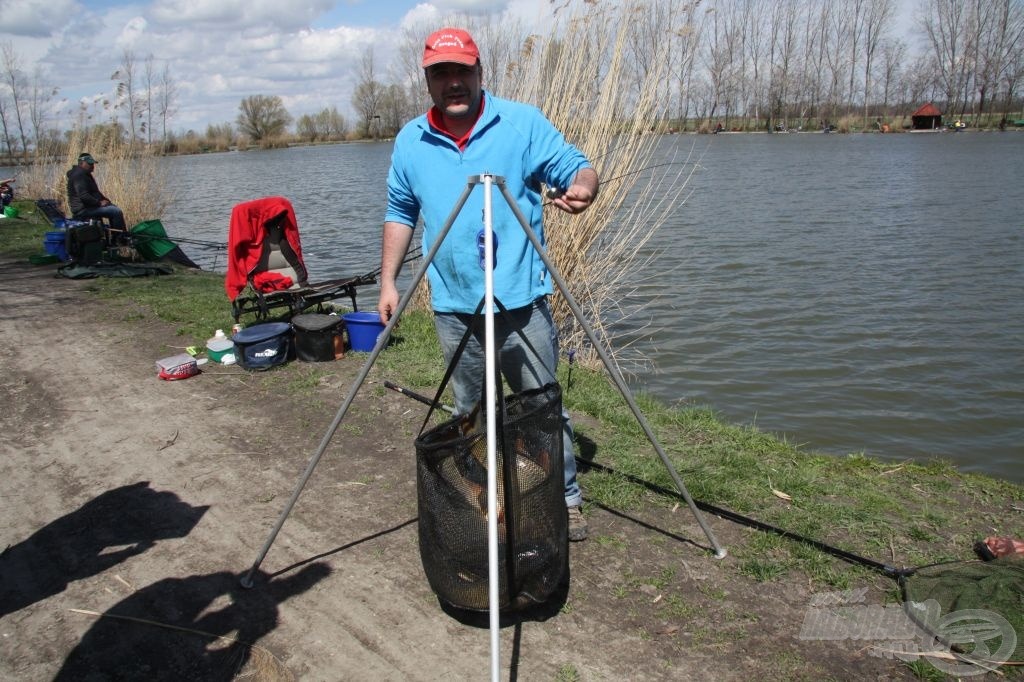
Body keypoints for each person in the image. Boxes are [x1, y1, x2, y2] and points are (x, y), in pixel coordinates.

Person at [377, 27, 599, 541]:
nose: (453, 82)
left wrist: (582, 187)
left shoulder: (520, 123)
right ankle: (486, 493)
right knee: (469, 410)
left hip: (522, 304)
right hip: (454, 307)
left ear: (479, 71)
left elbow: (574, 165)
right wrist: (389, 280)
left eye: (462, 71)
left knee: (542, 407)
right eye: (441, 74)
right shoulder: (410, 139)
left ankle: (563, 497)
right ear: (428, 79)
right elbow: (399, 210)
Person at [66, 153, 127, 237]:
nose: (92, 166)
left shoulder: (86, 174)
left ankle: (119, 236)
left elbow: (96, 192)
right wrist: (99, 203)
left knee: (113, 208)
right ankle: (120, 239)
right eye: (89, 164)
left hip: (90, 207)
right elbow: (84, 196)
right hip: (82, 210)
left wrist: (107, 201)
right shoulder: (79, 175)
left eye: (92, 163)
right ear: (81, 163)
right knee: (116, 212)